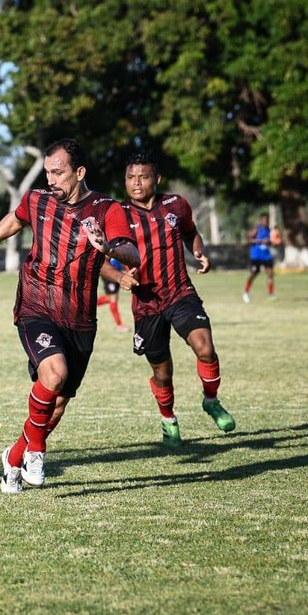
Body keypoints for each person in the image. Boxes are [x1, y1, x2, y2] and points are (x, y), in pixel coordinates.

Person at [0, 139, 139, 495]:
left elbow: (132, 252)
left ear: (79, 173)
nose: (51, 179)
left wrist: (108, 248)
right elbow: (13, 220)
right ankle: (36, 450)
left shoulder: (106, 209)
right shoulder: (38, 200)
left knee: (58, 402)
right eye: (48, 171)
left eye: (59, 172)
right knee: (55, 372)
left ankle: (14, 457)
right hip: (36, 304)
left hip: (79, 319)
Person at [110, 153, 235, 447]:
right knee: (162, 373)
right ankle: (168, 419)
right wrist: (119, 278)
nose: (136, 183)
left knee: (205, 348)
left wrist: (199, 252)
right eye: (131, 177)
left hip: (180, 293)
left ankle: (211, 399)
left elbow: (191, 233)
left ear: (157, 179)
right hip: (146, 304)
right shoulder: (117, 213)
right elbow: (100, 257)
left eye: (143, 176)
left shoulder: (175, 205)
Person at [243, 213, 276, 302]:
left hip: (266, 256)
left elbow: (271, 242)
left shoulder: (269, 230)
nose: (266, 222)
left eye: (267, 220)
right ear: (261, 221)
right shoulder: (257, 229)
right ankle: (246, 292)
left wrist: (271, 242)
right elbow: (249, 240)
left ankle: (271, 294)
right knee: (253, 274)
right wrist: (259, 241)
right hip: (256, 256)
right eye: (264, 220)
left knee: (270, 273)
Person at [97, 258, 129, 332]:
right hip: (109, 274)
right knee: (113, 299)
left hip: (117, 273)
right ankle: (119, 325)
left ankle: (87, 305)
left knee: (111, 299)